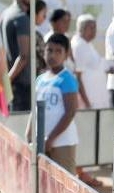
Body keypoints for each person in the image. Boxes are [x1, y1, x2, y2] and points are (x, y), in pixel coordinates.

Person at [3, 0, 48, 193]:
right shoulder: (31, 32)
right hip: (28, 95)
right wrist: (8, 80)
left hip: (39, 108)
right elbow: (24, 57)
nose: (49, 55)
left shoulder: (50, 79)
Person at [29, 33, 79, 174]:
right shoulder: (40, 79)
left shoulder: (67, 79)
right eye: (49, 50)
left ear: (66, 54)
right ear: (44, 51)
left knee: (64, 187)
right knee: (42, 183)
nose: (53, 55)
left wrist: (50, 139)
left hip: (62, 142)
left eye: (58, 51)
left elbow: (70, 112)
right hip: (41, 141)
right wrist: (29, 133)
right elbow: (35, 109)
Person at [2, 0, 39, 112]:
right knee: (20, 130)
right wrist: (7, 81)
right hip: (21, 86)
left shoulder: (5, 14)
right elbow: (24, 57)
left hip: (11, 83)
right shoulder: (21, 18)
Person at [72, 14, 112, 109]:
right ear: (81, 29)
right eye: (91, 28)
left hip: (97, 99)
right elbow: (77, 77)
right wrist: (86, 103)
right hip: (89, 102)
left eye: (95, 28)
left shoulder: (86, 44)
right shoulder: (79, 46)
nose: (94, 31)